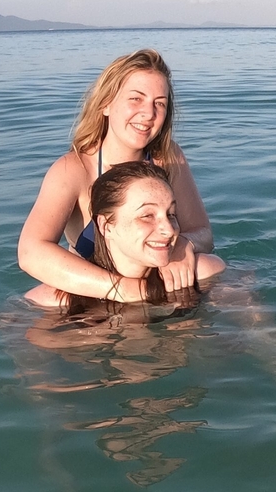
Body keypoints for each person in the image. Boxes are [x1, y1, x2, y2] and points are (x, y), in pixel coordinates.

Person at [18, 49, 213, 303]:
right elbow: (31, 253)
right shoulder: (74, 169)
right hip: (95, 295)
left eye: (159, 103)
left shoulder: (168, 157)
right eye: (136, 99)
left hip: (157, 285)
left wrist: (183, 244)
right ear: (106, 104)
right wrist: (122, 290)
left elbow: (204, 234)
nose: (148, 113)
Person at [25, 161, 225, 310]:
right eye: (147, 216)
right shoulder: (51, 301)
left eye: (171, 214)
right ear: (105, 226)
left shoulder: (204, 273)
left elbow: (247, 330)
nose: (169, 229)